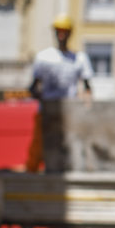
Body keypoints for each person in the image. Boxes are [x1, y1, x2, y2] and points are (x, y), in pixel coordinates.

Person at [26, 13, 93, 171]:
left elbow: (88, 87)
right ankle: (31, 176)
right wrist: (39, 96)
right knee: (38, 147)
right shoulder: (43, 57)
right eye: (59, 31)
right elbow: (33, 86)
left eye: (65, 31)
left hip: (69, 114)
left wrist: (85, 104)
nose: (61, 35)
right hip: (46, 112)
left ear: (70, 33)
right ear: (55, 33)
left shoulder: (79, 59)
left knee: (71, 149)